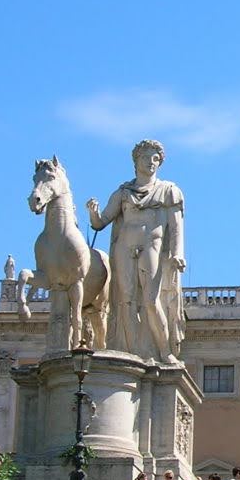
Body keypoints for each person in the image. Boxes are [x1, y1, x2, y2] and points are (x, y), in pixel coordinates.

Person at [85, 138, 186, 364]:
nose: (151, 162)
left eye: (155, 158)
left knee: (151, 300)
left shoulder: (169, 191)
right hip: (124, 247)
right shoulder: (123, 192)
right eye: (145, 157)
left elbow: (177, 226)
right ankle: (129, 354)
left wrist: (178, 252)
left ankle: (164, 351)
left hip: (153, 246)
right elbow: (101, 222)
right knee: (125, 301)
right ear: (136, 160)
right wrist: (93, 212)